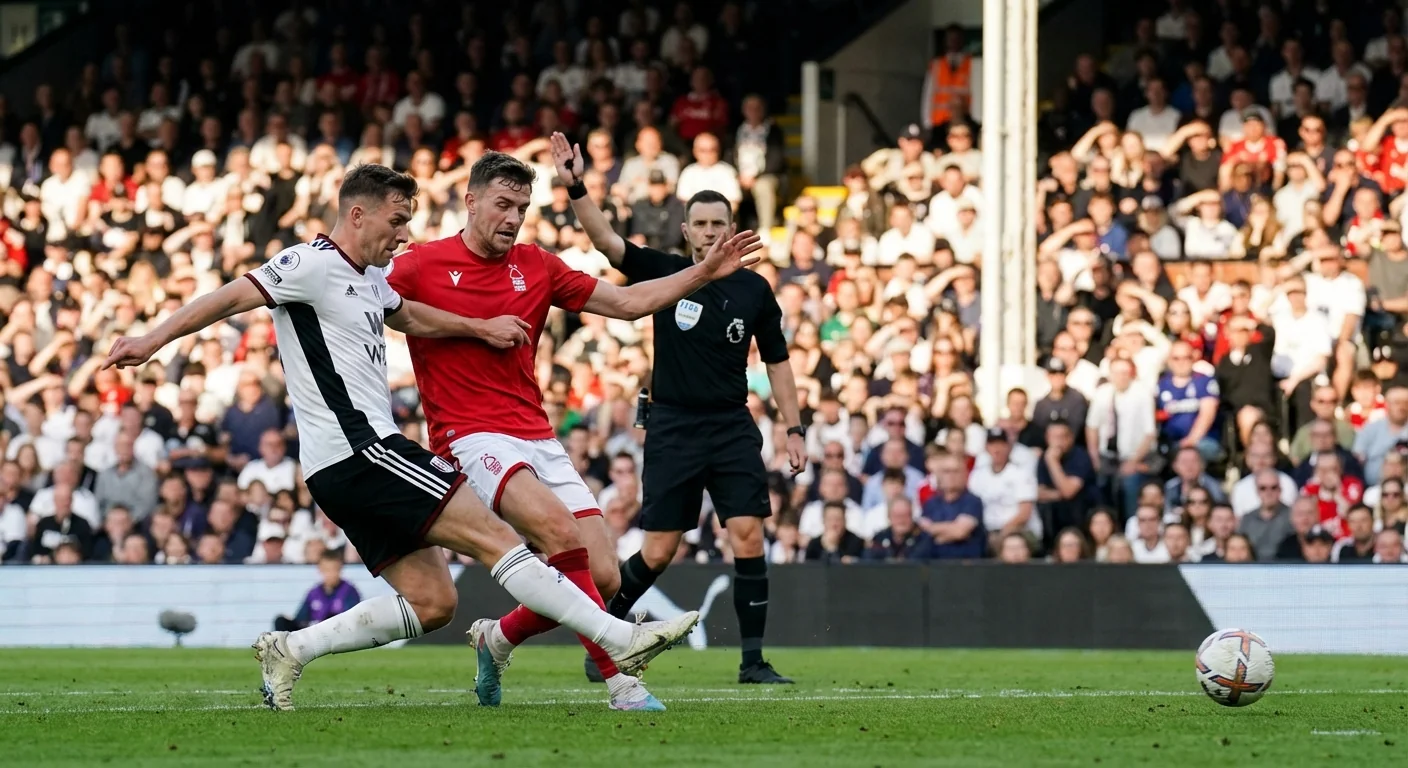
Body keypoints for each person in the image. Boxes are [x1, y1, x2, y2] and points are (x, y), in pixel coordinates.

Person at [101, 163, 701, 711]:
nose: (403, 235)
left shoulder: (371, 280)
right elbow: (230, 296)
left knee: (435, 603)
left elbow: (411, 316)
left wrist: (478, 327)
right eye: (396, 221)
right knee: (497, 537)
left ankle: (290, 651)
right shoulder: (309, 264)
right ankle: (619, 640)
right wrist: (152, 341)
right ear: (357, 214)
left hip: (339, 468)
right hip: (365, 450)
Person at [385, 150, 762, 711]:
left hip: (536, 435)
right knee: (561, 536)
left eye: (521, 207)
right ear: (470, 201)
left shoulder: (537, 264)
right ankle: (623, 682)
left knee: (605, 575)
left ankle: (498, 637)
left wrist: (703, 271)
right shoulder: (421, 264)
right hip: (470, 437)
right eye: (502, 204)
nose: (512, 218)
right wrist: (473, 327)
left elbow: (631, 302)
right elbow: (379, 305)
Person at [555, 132, 804, 684]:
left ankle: (752, 661)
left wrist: (794, 427)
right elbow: (608, 243)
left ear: (731, 227)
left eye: (721, 223)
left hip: (732, 424)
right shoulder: (666, 271)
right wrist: (575, 185)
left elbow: (779, 361)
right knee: (661, 550)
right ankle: (607, 636)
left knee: (748, 534)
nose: (712, 233)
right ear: (687, 230)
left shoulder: (755, 291)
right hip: (671, 425)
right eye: (703, 224)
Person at [275, 549, 362, 631]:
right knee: (281, 621)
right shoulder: (313, 593)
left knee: (331, 619)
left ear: (340, 569)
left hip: (336, 634)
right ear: (320, 569)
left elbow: (352, 621)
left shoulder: (349, 591)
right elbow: (300, 620)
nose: (331, 574)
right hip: (311, 634)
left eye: (334, 569)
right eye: (327, 570)